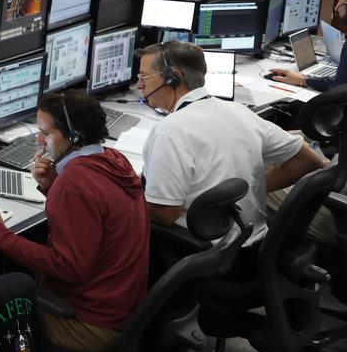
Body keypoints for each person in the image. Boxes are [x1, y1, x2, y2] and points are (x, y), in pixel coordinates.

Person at [0, 89, 148, 352]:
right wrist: (51, 185)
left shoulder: (75, 183)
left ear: (74, 136)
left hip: (91, 324)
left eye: (45, 133)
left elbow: (69, 267)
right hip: (124, 310)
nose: (38, 140)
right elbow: (90, 218)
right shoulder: (113, 160)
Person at [137, 40, 329, 245]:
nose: (139, 85)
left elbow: (165, 214)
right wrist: (253, 190)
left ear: (173, 77)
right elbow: (307, 160)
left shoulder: (169, 131)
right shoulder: (238, 111)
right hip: (253, 245)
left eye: (144, 76)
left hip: (198, 252)